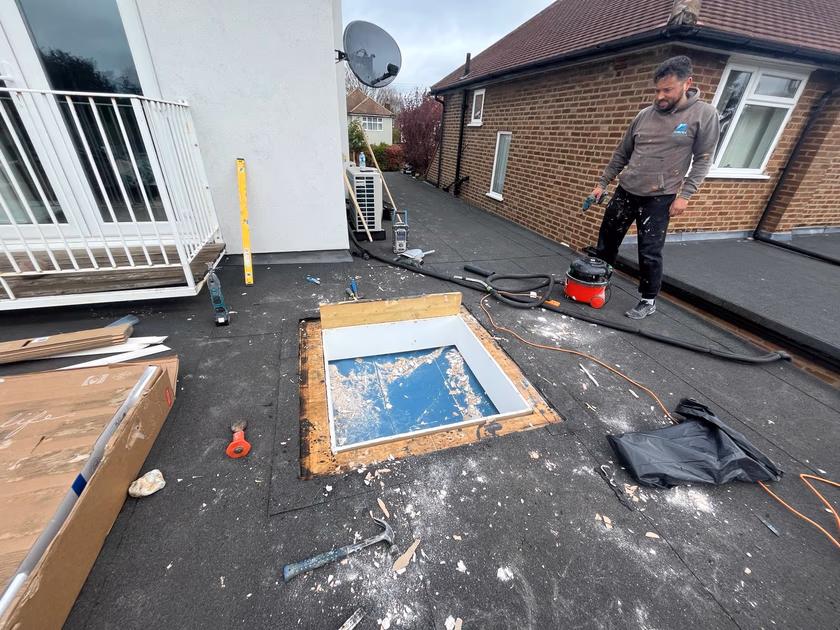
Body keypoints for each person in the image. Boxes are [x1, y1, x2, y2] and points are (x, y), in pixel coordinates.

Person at [588, 56, 720, 319]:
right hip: (627, 190)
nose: (661, 96)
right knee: (607, 242)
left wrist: (685, 195)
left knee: (649, 251)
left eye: (667, 90)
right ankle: (598, 283)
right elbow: (621, 154)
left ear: (687, 83)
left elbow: (704, 160)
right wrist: (602, 184)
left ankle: (648, 300)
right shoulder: (644, 116)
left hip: (660, 197)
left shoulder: (703, 115)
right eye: (657, 90)